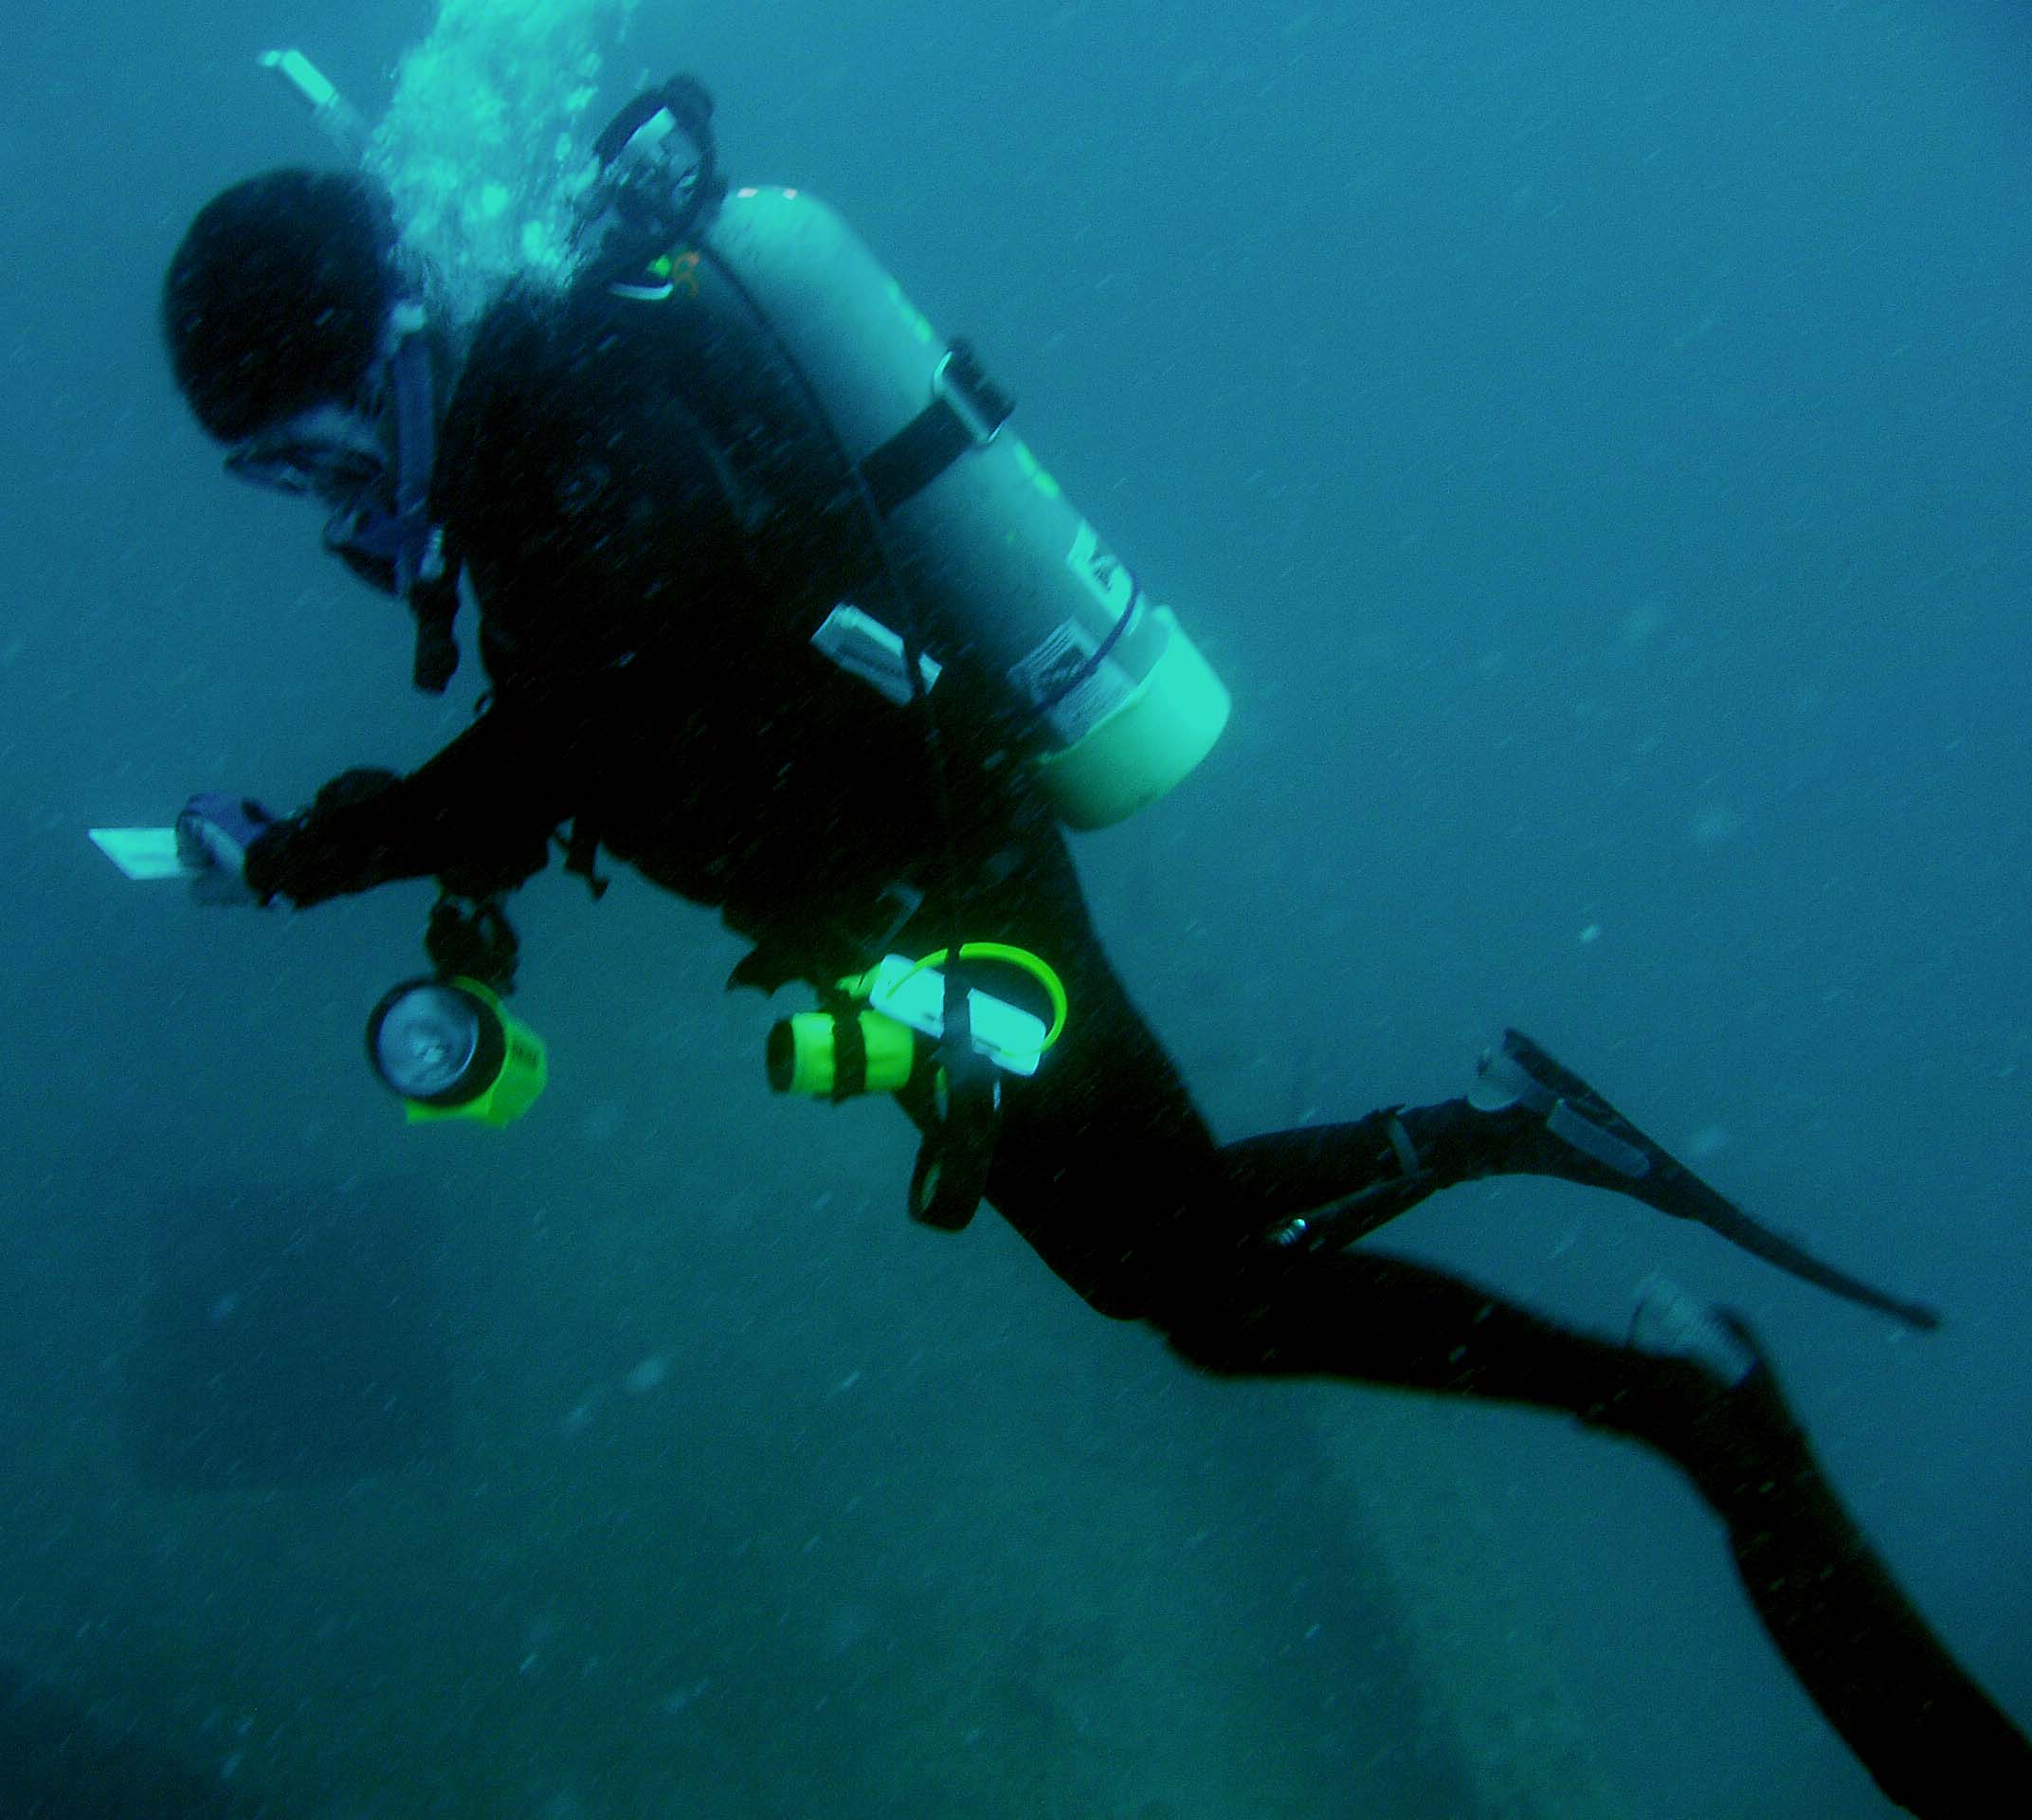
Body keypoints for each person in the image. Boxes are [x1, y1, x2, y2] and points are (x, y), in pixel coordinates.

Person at [154, 82, 2028, 1816]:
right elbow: (594, 729)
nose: (323, 515)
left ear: (395, 351)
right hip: (913, 903)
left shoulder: (562, 444)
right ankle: (1502, 1141)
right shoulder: (536, 425)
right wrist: (383, 837)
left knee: (1196, 1292)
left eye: (316, 459)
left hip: (952, 908)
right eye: (273, 484)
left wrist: (327, 851)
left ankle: (1686, 1402)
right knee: (1184, 1264)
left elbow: (576, 733)